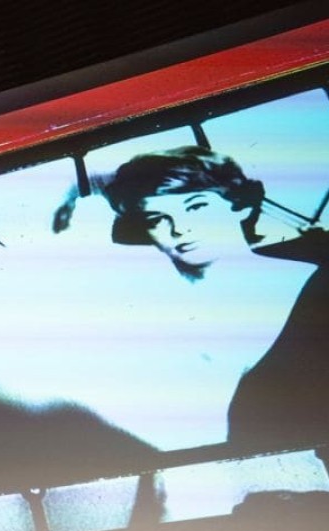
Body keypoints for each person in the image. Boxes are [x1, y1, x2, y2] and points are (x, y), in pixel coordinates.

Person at [102, 145, 329, 454]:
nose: (181, 229)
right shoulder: (153, 322)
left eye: (196, 207)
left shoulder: (318, 289)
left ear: (239, 205)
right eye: (157, 219)